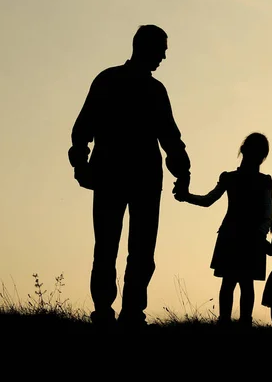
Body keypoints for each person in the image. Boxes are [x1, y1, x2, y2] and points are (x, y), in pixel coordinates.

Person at [67, 24, 191, 330]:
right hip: (128, 175)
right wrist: (182, 170)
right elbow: (84, 128)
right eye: (161, 48)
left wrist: (182, 169)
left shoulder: (120, 82)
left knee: (125, 248)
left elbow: (169, 138)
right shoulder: (132, 85)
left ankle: (123, 313)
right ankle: (117, 313)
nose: (164, 55)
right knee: (121, 247)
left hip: (131, 176)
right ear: (144, 47)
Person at [174, 132, 272, 328]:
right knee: (243, 282)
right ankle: (241, 322)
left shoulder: (234, 178)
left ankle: (227, 322)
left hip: (234, 234)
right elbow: (267, 212)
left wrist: (186, 197)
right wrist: (260, 234)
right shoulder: (259, 180)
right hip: (243, 236)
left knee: (232, 282)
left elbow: (208, 200)